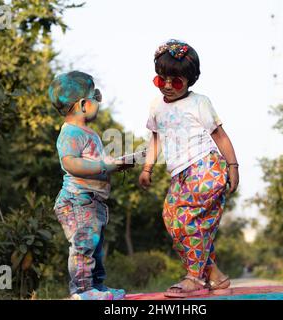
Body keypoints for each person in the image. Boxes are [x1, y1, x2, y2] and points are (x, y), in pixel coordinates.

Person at [139, 40, 239, 298]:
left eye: (177, 81)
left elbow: (220, 136)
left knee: (187, 221)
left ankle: (194, 278)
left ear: (189, 81)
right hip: (180, 175)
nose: (168, 86)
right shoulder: (156, 106)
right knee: (172, 220)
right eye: (162, 80)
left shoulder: (199, 103)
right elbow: (155, 138)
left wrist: (233, 166)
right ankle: (214, 275)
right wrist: (147, 168)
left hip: (205, 167)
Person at [49, 71, 133, 300]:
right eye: (96, 96)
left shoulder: (89, 133)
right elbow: (71, 163)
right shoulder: (71, 132)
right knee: (84, 244)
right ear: (84, 104)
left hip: (92, 201)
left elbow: (97, 163)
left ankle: (97, 287)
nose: (98, 101)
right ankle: (82, 291)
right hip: (78, 200)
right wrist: (106, 166)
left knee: (95, 246)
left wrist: (118, 165)